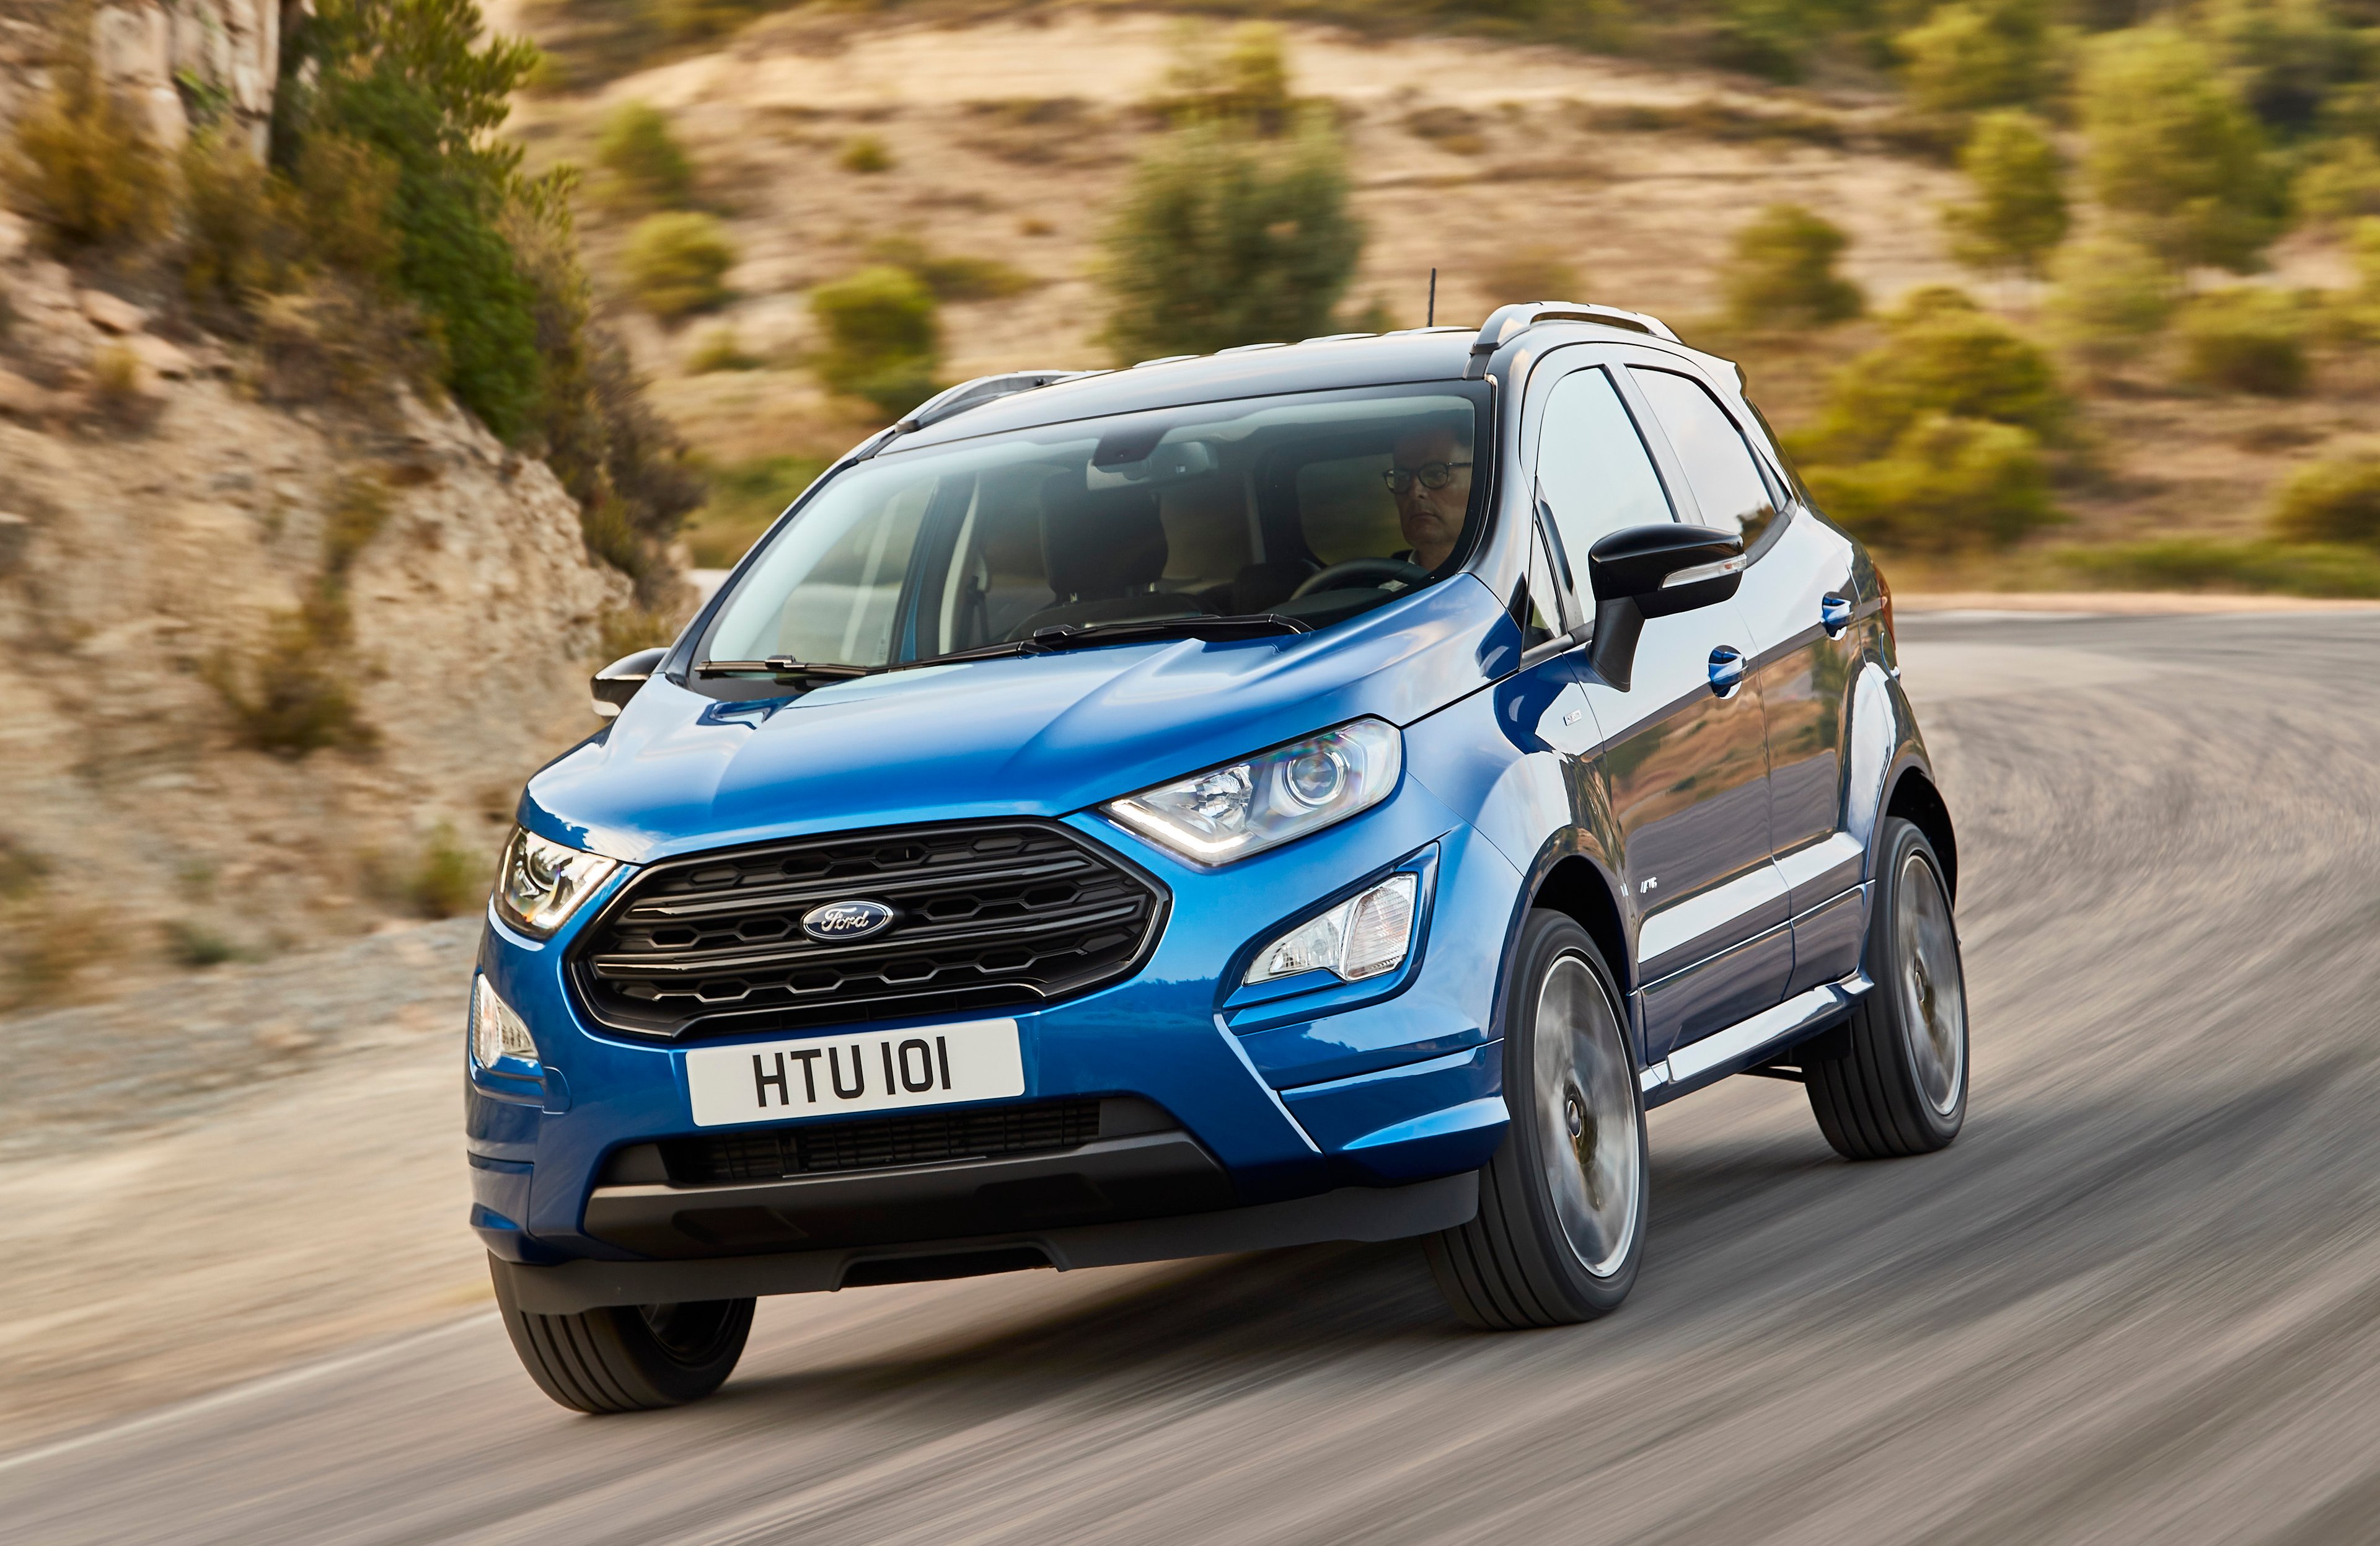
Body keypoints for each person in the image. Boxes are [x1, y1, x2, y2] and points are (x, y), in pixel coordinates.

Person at [1381, 423, 1473, 572]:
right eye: (1402, 477)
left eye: (1435, 474)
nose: (1414, 492)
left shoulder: (1515, 583)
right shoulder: (1381, 593)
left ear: (1482, 479)